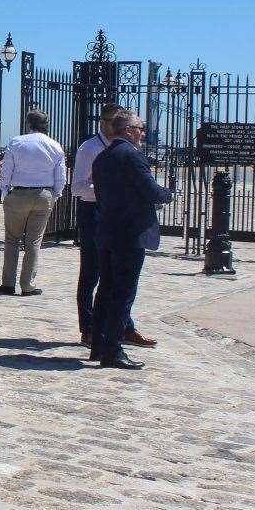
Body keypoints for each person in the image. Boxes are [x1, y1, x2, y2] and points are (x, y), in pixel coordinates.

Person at [90, 110, 174, 370]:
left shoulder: (102, 157)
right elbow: (150, 191)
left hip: (107, 230)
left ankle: (99, 345)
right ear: (128, 130)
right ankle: (113, 350)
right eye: (140, 127)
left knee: (105, 290)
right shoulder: (132, 156)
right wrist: (168, 194)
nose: (143, 132)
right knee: (123, 292)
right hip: (130, 233)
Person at [0, 110, 66, 296]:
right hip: (44, 194)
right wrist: (55, 195)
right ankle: (28, 285)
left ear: (28, 123)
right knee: (34, 241)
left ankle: (8, 283)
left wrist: (4, 192)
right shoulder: (55, 145)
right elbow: (60, 177)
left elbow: (6, 171)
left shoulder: (16, 142)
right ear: (46, 124)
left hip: (18, 193)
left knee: (12, 239)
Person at [72, 103, 126, 346]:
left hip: (116, 212)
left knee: (118, 273)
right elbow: (77, 188)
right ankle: (88, 328)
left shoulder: (124, 147)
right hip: (92, 211)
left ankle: (123, 325)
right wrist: (109, 190)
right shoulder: (89, 148)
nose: (121, 127)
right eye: (117, 122)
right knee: (91, 271)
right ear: (104, 123)